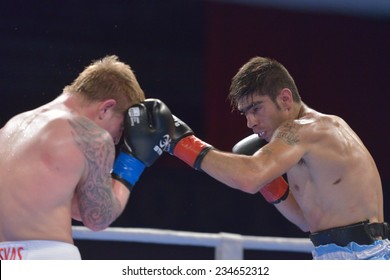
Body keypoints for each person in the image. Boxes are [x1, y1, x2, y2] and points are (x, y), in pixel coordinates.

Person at [135, 56, 389, 259]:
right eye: (246, 113)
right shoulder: (307, 143)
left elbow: (249, 177)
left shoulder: (303, 130)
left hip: (361, 257)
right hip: (339, 254)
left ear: (285, 99)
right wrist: (272, 184)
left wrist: (181, 143)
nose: (250, 122)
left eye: (256, 108)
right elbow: (306, 220)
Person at [0, 55, 173, 260]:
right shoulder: (91, 136)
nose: (116, 140)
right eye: (120, 129)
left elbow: (76, 208)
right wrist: (133, 161)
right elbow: (97, 218)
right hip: (46, 259)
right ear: (106, 108)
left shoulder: (11, 127)